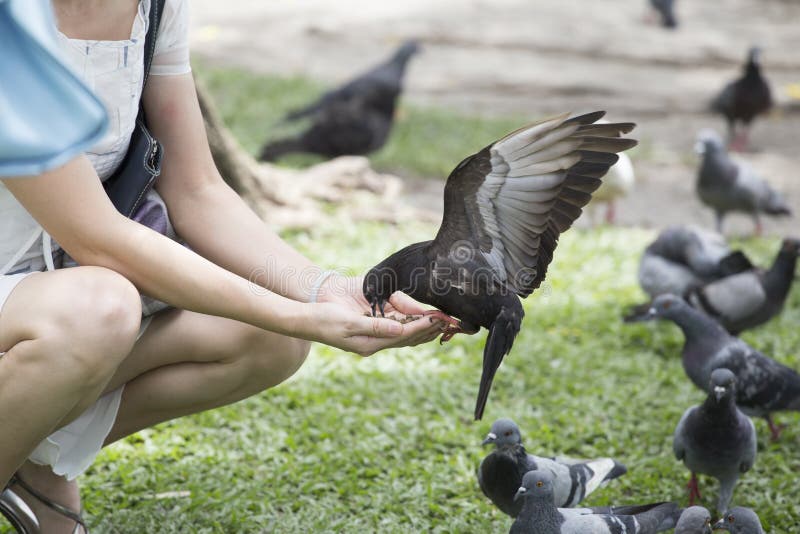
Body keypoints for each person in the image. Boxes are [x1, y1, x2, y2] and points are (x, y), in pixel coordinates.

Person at [0, 0, 446, 531]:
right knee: (99, 308)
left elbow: (197, 189)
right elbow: (98, 237)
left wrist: (322, 290)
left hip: (49, 288)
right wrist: (300, 315)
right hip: (57, 289)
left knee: (266, 336)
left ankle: (32, 457)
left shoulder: (156, 7)